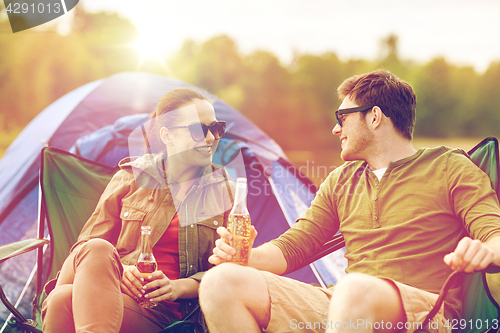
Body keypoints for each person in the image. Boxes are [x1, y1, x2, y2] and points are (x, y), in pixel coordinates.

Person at [199, 69, 500, 333]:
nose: (335, 129)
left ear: (374, 117)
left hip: (426, 311)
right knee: (221, 283)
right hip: (346, 305)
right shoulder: (341, 180)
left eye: (342, 117)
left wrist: (483, 249)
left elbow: (495, 238)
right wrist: (245, 258)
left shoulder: (450, 167)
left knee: (354, 289)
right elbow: (294, 247)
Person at [41, 88, 234, 333]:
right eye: (197, 129)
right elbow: (86, 249)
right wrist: (120, 271)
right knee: (95, 249)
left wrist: (178, 287)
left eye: (215, 128)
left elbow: (230, 274)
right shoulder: (131, 178)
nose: (210, 138)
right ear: (167, 135)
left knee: (61, 300)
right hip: (112, 292)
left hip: (169, 314)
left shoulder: (225, 192)